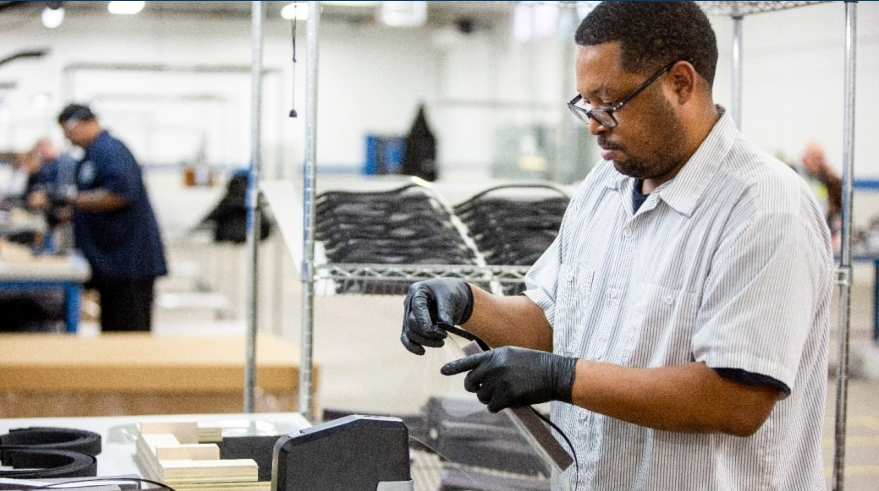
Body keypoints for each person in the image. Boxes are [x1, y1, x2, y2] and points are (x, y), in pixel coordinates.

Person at [400, 2, 833, 490]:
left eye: (610, 103)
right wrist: (465, 302)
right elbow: (552, 323)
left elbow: (735, 398)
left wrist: (563, 378)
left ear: (681, 84)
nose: (593, 124)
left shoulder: (764, 207)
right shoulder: (602, 188)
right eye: (584, 103)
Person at [57, 103, 168, 332]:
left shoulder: (111, 150)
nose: (68, 140)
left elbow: (120, 195)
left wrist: (72, 199)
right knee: (113, 332)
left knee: (129, 337)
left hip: (129, 264)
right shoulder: (94, 153)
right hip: (112, 265)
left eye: (69, 132)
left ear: (84, 123)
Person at [798, 141, 843, 238]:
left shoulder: (826, 179)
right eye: (814, 157)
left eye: (820, 158)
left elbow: (839, 199)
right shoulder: (795, 175)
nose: (817, 161)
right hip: (801, 229)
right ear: (804, 157)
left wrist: (833, 177)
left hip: (821, 230)